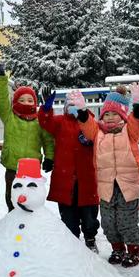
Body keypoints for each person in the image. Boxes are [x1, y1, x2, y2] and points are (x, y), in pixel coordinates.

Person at [77, 83, 139, 267]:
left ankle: (134, 250)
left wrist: (138, 104)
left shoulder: (129, 131)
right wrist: (82, 110)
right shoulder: (98, 133)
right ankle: (117, 249)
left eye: (114, 114)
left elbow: (138, 122)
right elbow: (86, 125)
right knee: (108, 222)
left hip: (127, 185)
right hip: (106, 185)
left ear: (123, 115)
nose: (109, 117)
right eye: (106, 114)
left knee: (127, 220)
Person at [0, 58, 55, 212]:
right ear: (15, 101)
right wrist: (1, 76)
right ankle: (14, 226)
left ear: (35, 102)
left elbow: (48, 140)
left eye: (30, 100)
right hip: (13, 167)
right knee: (13, 199)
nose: (26, 102)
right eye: (22, 99)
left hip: (33, 168)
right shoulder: (9, 117)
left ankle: (31, 227)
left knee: (32, 199)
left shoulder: (39, 120)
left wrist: (50, 157)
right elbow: (1, 100)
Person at [38, 88, 100, 252]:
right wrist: (47, 106)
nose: (72, 108)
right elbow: (45, 122)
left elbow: (97, 135)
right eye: (69, 105)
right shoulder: (59, 122)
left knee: (89, 215)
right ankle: (72, 241)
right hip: (65, 180)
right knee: (68, 216)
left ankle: (90, 239)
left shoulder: (89, 122)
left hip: (87, 178)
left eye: (76, 105)